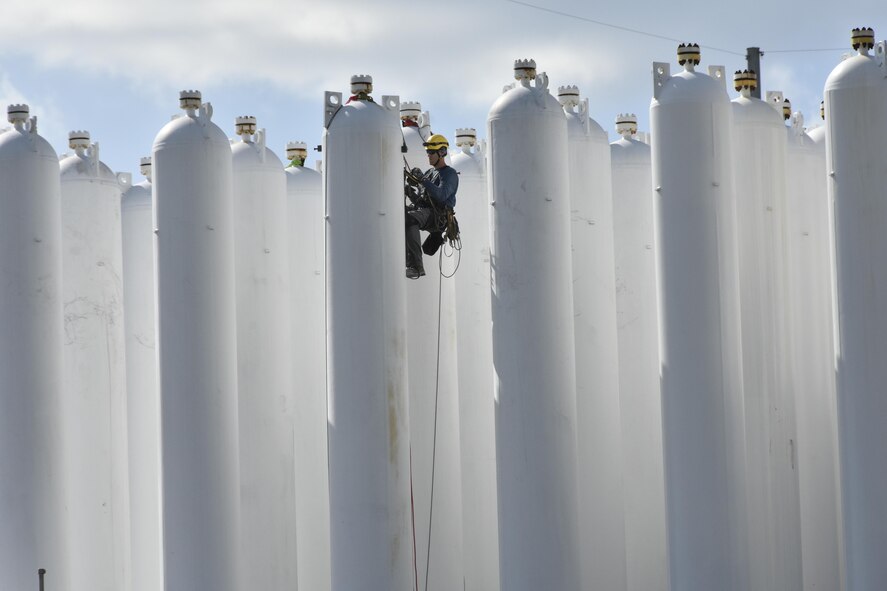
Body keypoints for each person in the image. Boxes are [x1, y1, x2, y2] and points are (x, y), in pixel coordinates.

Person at [404, 134, 458, 279]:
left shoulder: (449, 174)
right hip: (427, 211)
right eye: (427, 152)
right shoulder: (430, 173)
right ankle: (404, 258)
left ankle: (416, 266)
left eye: (431, 152)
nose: (428, 155)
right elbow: (423, 201)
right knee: (400, 213)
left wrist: (423, 179)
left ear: (441, 152)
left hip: (437, 217)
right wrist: (409, 192)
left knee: (410, 219)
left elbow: (441, 196)